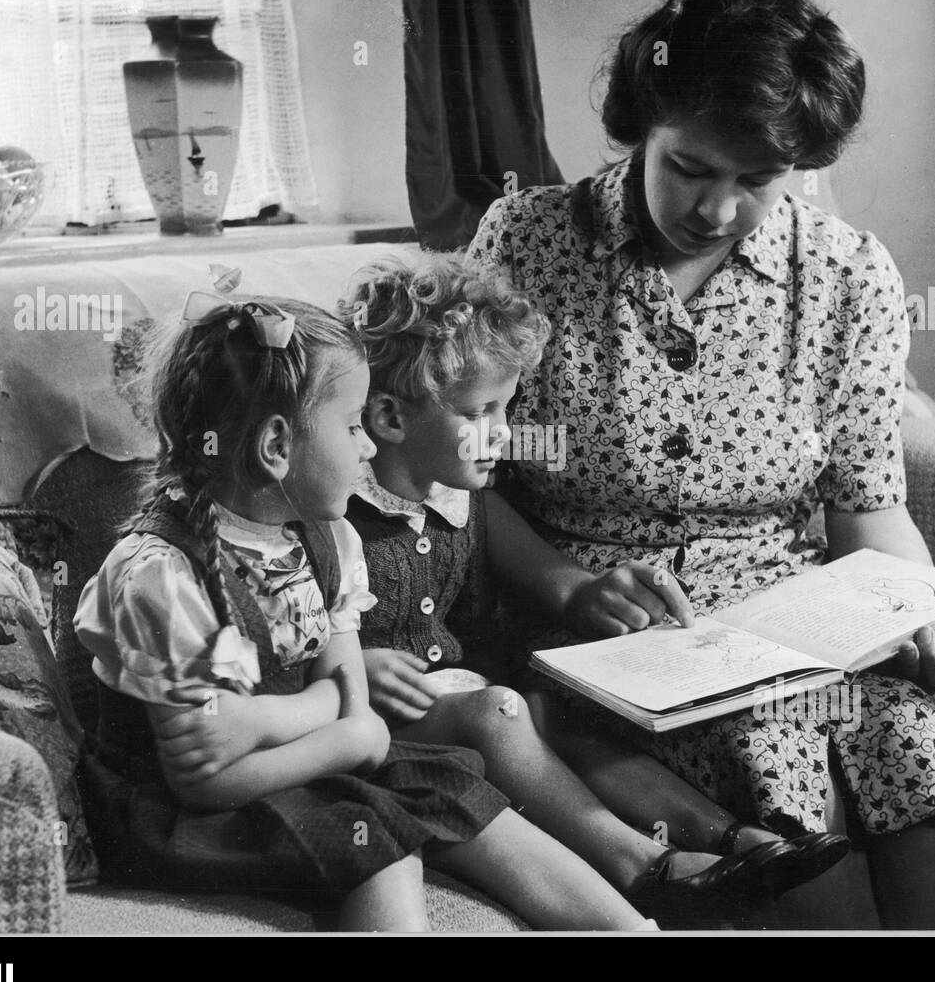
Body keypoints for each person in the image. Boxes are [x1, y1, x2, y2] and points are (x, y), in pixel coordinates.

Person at [467, 0, 935, 929]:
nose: (717, 210)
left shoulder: (848, 274)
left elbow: (869, 503)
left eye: (758, 179)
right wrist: (562, 586)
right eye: (690, 167)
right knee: (807, 847)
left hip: (798, 626)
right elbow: (457, 481)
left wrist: (917, 612)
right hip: (609, 642)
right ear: (644, 121)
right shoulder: (527, 242)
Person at [72, 277, 654, 932]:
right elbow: (204, 778)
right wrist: (344, 729)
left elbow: (345, 691)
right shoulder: (161, 576)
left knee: (451, 783)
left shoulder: (328, 539)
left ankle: (633, 930)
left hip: (300, 760)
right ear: (275, 447)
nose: (370, 448)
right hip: (183, 815)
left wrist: (282, 717)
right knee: (373, 843)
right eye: (352, 427)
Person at [339, 252, 851, 926]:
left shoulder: (467, 502)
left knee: (560, 715)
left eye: (508, 407)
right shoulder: (336, 516)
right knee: (503, 713)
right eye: (482, 411)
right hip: (384, 732)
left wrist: (584, 595)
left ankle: (728, 838)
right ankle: (649, 865)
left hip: (466, 704)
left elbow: (547, 578)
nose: (506, 433)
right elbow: (292, 634)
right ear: (389, 418)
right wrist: (353, 672)